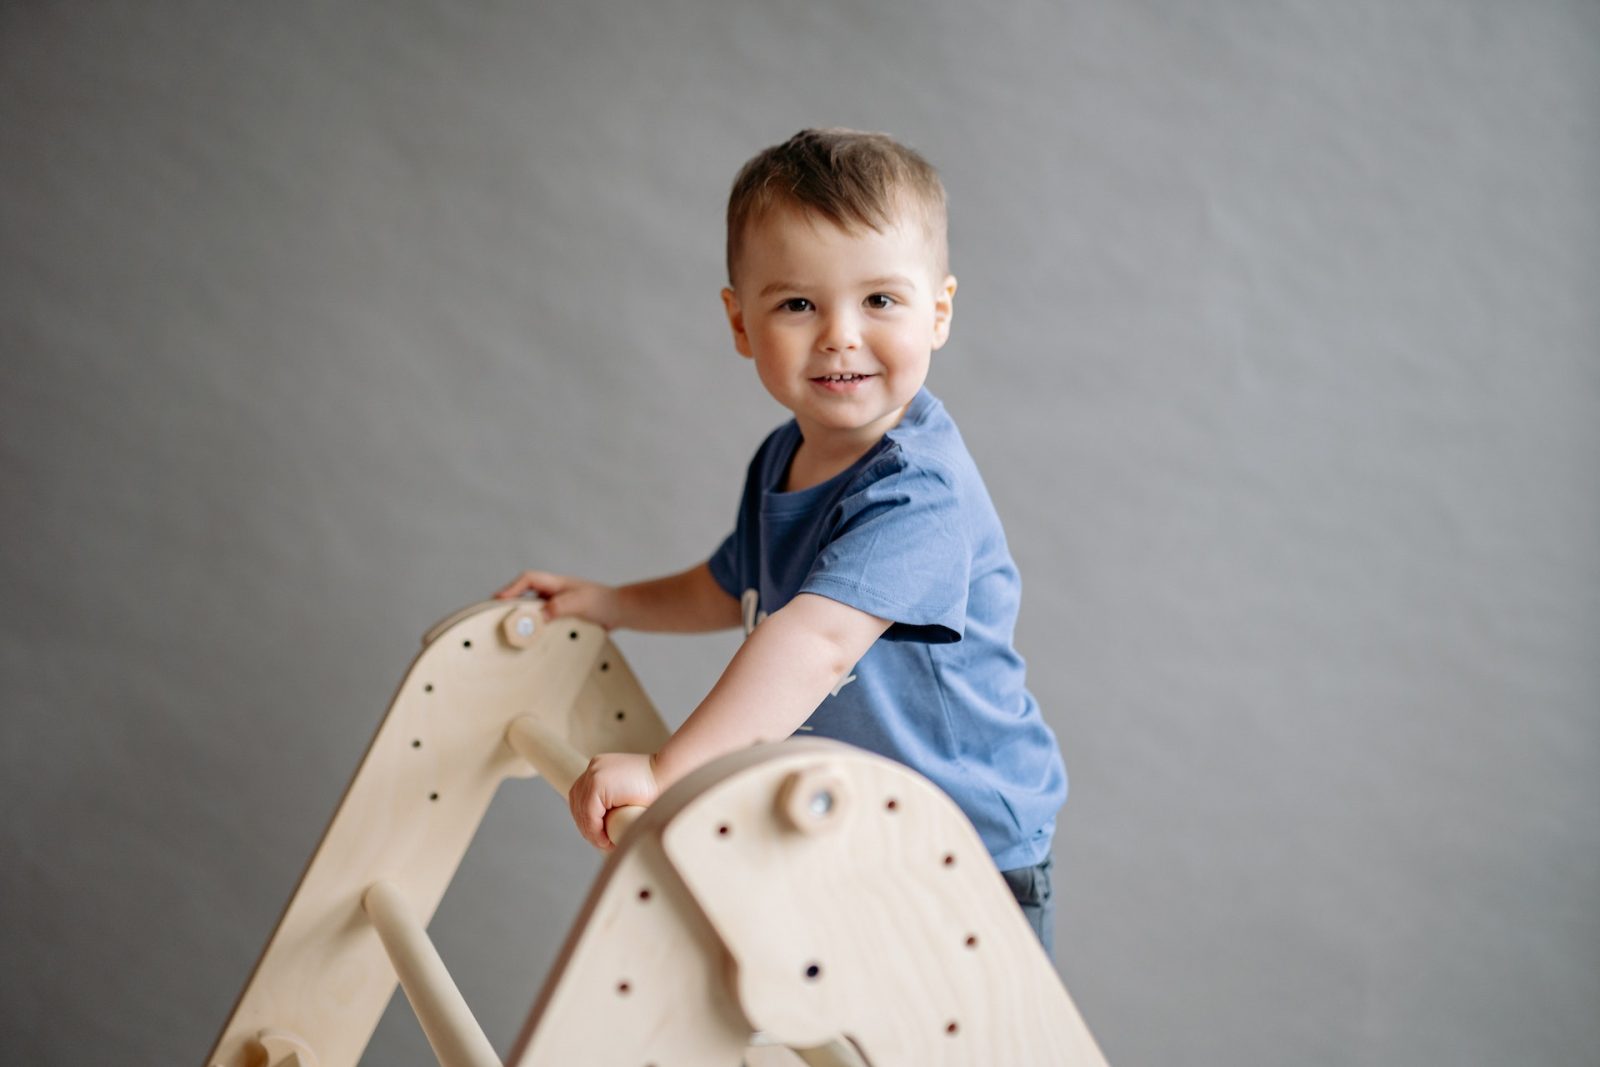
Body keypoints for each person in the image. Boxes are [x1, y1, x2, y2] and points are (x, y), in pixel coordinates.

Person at [495, 128, 1067, 955]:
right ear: (740, 320)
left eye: (880, 300)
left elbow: (817, 642)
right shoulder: (784, 456)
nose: (840, 333)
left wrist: (667, 773)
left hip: (968, 850)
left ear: (937, 312)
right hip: (854, 840)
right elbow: (736, 588)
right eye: (799, 303)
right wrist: (609, 603)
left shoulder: (919, 490)